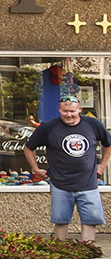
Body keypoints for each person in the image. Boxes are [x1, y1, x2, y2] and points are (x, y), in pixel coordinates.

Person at [23, 98, 111, 241]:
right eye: (65, 111)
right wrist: (35, 168)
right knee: (61, 221)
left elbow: (108, 144)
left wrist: (103, 165)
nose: (68, 115)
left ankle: (88, 251)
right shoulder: (48, 127)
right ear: (59, 110)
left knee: (90, 221)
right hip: (60, 184)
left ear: (79, 110)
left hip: (88, 184)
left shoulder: (93, 124)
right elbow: (29, 147)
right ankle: (61, 251)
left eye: (72, 111)